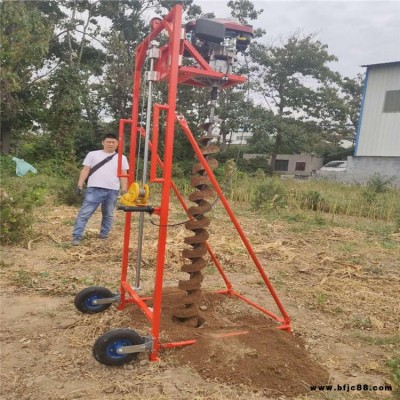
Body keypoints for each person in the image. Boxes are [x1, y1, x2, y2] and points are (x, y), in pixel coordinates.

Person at [72, 133, 129, 245]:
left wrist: (124, 190)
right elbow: (85, 170)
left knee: (108, 214)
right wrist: (80, 184)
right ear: (103, 142)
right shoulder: (93, 154)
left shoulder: (122, 158)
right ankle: (76, 237)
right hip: (94, 189)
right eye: (108, 142)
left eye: (113, 142)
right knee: (84, 213)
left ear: (117, 144)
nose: (111, 144)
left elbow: (123, 174)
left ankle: (104, 236)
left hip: (112, 190)